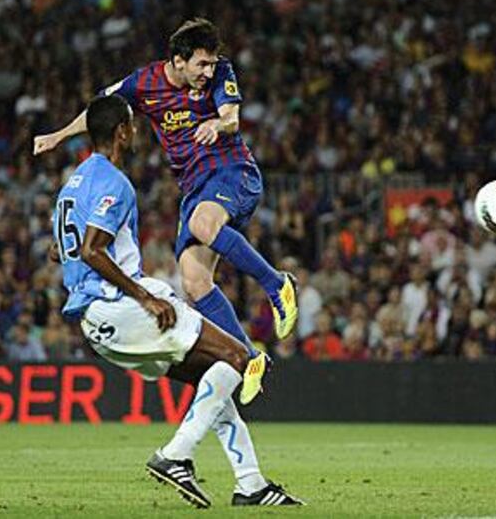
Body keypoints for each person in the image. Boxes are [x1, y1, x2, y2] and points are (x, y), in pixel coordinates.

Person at [51, 94, 303, 508]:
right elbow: (92, 250)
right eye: (132, 124)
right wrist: (145, 296)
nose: (136, 130)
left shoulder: (72, 186)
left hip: (95, 323)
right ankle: (174, 456)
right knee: (239, 356)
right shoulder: (114, 182)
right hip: (124, 306)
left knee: (217, 375)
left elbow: (59, 250)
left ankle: (251, 484)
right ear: (121, 132)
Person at [35, 18, 299, 360]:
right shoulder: (144, 83)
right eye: (200, 64)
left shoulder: (221, 73)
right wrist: (57, 136)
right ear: (177, 61)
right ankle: (247, 357)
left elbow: (232, 117)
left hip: (230, 171)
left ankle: (277, 285)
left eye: (210, 63)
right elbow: (101, 110)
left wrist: (217, 125)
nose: (207, 71)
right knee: (194, 281)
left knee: (202, 226)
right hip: (194, 187)